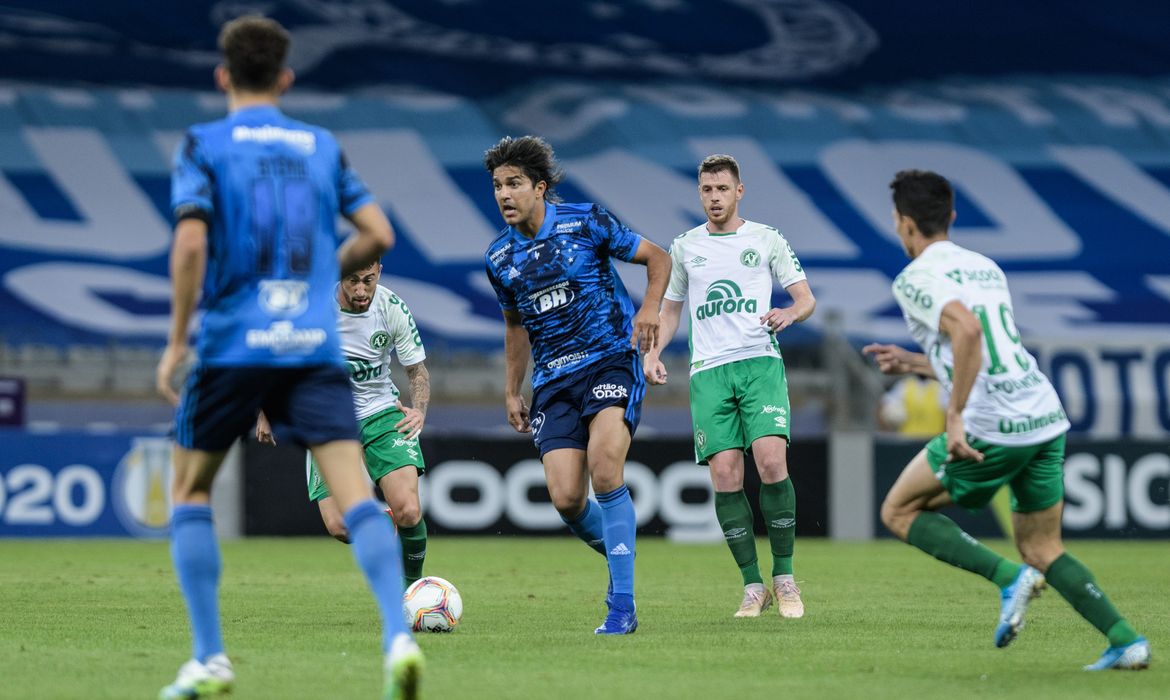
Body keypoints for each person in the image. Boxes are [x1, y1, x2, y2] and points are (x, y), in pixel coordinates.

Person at [154, 16, 423, 700]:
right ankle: (398, 636)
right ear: (286, 78)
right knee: (357, 497)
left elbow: (189, 247)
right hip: (308, 345)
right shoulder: (319, 145)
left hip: (234, 343)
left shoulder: (203, 144)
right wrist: (316, 281)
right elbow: (380, 232)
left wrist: (178, 339)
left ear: (223, 77)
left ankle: (210, 658)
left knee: (189, 491)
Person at [864, 169, 1149, 670]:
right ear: (951, 216)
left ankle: (1007, 578)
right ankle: (1126, 641)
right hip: (1043, 414)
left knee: (898, 511)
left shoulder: (914, 278)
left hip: (991, 425)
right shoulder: (984, 266)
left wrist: (953, 418)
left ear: (904, 223)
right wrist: (914, 363)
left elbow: (969, 332)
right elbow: (988, 349)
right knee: (1042, 545)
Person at [482, 135, 671, 635]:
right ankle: (619, 564)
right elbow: (515, 325)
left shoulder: (585, 221)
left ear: (540, 187)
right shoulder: (499, 258)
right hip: (552, 380)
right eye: (498, 185)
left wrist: (649, 310)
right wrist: (511, 389)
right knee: (567, 498)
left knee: (606, 468)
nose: (504, 194)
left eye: (515, 183)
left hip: (610, 358)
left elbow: (658, 258)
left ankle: (622, 608)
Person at [643, 154, 816, 619]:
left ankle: (784, 576)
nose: (714, 197)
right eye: (706, 190)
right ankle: (752, 585)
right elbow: (673, 308)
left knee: (772, 460)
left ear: (739, 191)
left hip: (758, 363)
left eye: (722, 189)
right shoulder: (683, 247)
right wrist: (654, 352)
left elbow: (805, 298)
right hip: (709, 371)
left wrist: (789, 313)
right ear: (699, 193)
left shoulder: (766, 239)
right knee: (724, 475)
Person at [256, 260, 431, 587]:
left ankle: (412, 592)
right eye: (353, 281)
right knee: (340, 526)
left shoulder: (391, 307)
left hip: (380, 410)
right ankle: (380, 522)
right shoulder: (315, 307)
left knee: (408, 509)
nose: (362, 290)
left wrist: (419, 409)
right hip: (327, 418)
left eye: (368, 280)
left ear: (379, 270)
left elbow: (416, 370)